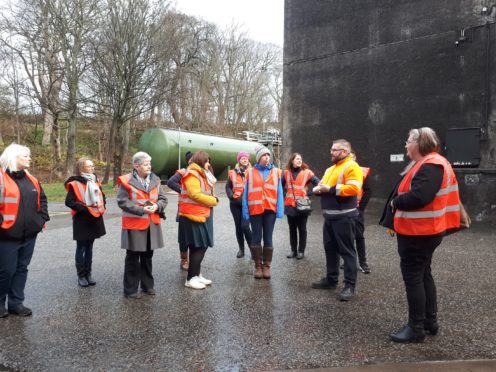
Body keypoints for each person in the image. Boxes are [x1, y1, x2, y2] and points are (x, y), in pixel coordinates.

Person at [383, 127, 460, 343]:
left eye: (408, 141)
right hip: (424, 231)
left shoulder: (431, 164)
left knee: (414, 277)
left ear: (419, 143)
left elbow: (420, 196)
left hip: (419, 232)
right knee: (423, 274)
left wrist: (395, 202)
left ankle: (416, 328)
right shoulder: (431, 163)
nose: (406, 145)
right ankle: (429, 322)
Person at [0, 144, 50, 317]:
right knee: (6, 271)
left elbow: (42, 200)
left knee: (22, 269)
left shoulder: (31, 179)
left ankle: (16, 303)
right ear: (14, 157)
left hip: (29, 235)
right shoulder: (1, 178)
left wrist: (41, 219)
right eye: (25, 156)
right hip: (6, 236)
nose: (29, 159)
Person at [311, 139, 362, 301]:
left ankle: (349, 286)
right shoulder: (330, 169)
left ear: (345, 152)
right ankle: (331, 280)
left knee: (347, 252)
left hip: (344, 217)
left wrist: (330, 189)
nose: (331, 152)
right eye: (331, 149)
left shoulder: (352, 166)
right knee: (330, 249)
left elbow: (355, 188)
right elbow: (323, 186)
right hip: (330, 217)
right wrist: (317, 190)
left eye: (334, 150)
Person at [117, 151, 168, 299]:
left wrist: (157, 206)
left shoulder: (156, 180)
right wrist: (141, 209)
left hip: (152, 224)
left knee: (147, 256)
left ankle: (147, 286)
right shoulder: (126, 180)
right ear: (136, 166)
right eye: (146, 164)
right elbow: (122, 201)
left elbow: (163, 199)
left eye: (150, 164)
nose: (149, 166)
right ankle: (130, 290)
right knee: (133, 257)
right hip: (134, 225)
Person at [178, 151, 219, 290]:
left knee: (198, 246)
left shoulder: (202, 174)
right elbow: (195, 194)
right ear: (200, 161)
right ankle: (190, 278)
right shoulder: (192, 174)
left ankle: (196, 274)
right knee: (200, 246)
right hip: (193, 215)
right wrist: (214, 201)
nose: (209, 163)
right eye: (207, 161)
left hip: (201, 214)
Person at [242, 146, 284, 279]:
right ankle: (258, 266)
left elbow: (280, 192)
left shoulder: (276, 172)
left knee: (268, 238)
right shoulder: (250, 172)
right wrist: (245, 212)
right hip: (255, 209)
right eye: (264, 155)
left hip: (269, 210)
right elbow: (245, 194)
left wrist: (280, 210)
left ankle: (266, 266)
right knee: (256, 238)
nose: (267, 157)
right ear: (259, 158)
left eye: (268, 155)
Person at [65, 158, 106, 287]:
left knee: (89, 248)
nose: (92, 167)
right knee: (81, 247)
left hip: (95, 217)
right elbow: (69, 202)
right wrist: (84, 209)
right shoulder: (75, 182)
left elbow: (102, 196)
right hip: (82, 219)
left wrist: (103, 204)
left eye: (93, 165)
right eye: (89, 166)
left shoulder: (95, 180)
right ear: (82, 168)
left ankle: (88, 274)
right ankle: (81, 276)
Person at [282, 153, 320, 259]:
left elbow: (319, 184)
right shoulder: (286, 173)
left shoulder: (307, 173)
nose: (299, 161)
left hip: (302, 204)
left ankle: (301, 251)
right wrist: (284, 195)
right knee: (292, 229)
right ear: (292, 161)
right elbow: (280, 187)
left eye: (301, 159)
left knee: (302, 229)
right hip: (290, 205)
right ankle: (293, 250)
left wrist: (309, 193)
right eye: (297, 159)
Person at [167, 151, 193, 270]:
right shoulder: (183, 171)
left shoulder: (201, 172)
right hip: (183, 208)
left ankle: (194, 259)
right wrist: (183, 191)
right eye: (192, 159)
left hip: (197, 209)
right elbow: (171, 182)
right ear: (188, 161)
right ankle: (184, 260)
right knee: (183, 236)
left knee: (194, 235)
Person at [226, 151, 253, 258]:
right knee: (238, 227)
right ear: (239, 160)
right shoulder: (232, 172)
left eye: (246, 158)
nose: (245, 159)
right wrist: (231, 196)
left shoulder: (252, 172)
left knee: (245, 226)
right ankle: (241, 249)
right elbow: (228, 186)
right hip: (235, 204)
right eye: (242, 158)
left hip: (248, 204)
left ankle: (253, 250)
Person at [351, 151, 372, 274]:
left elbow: (368, 191)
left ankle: (363, 263)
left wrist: (361, 208)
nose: (350, 159)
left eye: (352, 157)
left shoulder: (362, 171)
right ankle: (350, 261)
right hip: (345, 210)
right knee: (347, 237)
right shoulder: (342, 171)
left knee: (359, 236)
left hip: (357, 210)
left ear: (355, 157)